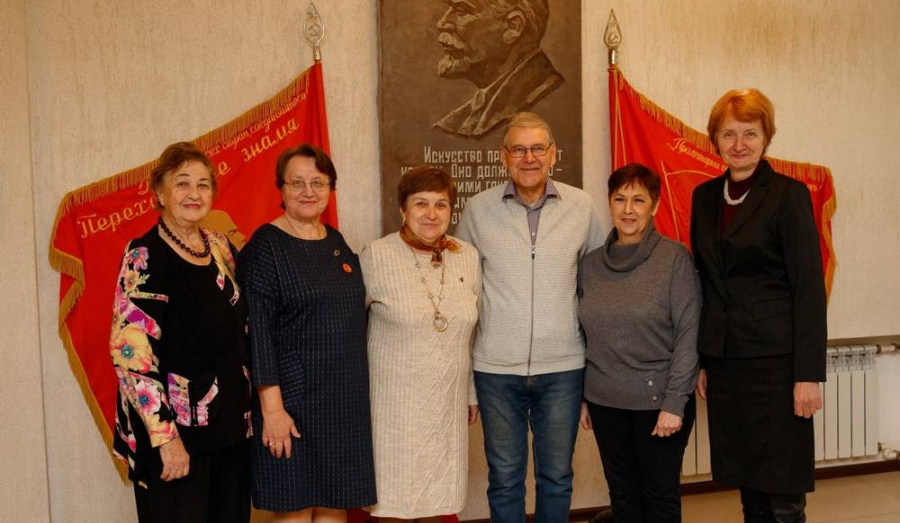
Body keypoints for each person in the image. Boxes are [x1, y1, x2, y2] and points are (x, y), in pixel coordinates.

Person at [456, 112, 604, 522]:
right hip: (496, 370)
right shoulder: (478, 209)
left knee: (556, 477)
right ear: (504, 156)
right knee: (504, 478)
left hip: (563, 368)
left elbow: (597, 288)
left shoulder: (581, 207)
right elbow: (462, 287)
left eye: (538, 148)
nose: (529, 157)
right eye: (519, 149)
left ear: (553, 154)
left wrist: (596, 372)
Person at [691, 89, 827, 523]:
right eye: (728, 134)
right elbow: (706, 282)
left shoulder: (788, 195)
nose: (739, 144)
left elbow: (808, 288)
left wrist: (808, 374)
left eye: (750, 133)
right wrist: (703, 358)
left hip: (777, 364)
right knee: (746, 481)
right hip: (727, 363)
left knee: (782, 489)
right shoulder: (704, 197)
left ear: (767, 137)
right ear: (714, 140)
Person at [109, 142, 251, 523]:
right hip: (176, 440)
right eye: (182, 183)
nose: (194, 193)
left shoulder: (220, 247)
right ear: (159, 192)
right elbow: (130, 355)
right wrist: (166, 438)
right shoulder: (144, 255)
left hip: (230, 433)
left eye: (203, 184)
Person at [238, 144, 376, 522]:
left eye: (318, 182)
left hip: (342, 402)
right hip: (290, 403)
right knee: (294, 508)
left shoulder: (335, 241)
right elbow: (258, 335)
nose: (308, 191)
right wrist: (272, 410)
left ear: (331, 188)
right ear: (280, 189)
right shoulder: (265, 247)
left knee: (334, 504)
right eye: (297, 182)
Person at [578, 164, 701, 523]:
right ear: (609, 204)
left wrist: (675, 403)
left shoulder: (674, 259)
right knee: (623, 497)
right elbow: (583, 335)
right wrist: (584, 396)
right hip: (605, 403)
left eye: (639, 200)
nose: (628, 209)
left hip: (658, 405)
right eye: (620, 199)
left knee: (658, 497)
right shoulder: (589, 265)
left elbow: (689, 334)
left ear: (655, 206)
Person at [360, 165, 480, 522]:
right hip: (392, 410)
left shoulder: (467, 256)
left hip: (447, 406)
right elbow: (350, 331)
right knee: (394, 501)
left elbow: (471, 336)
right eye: (421, 203)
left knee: (438, 503)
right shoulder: (376, 255)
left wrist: (471, 392)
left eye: (441, 204)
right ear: (403, 209)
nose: (431, 214)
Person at [433, 0, 563, 139]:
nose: (442, 23)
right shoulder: (465, 117)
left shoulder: (550, 97)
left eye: (461, 12)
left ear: (514, 26)